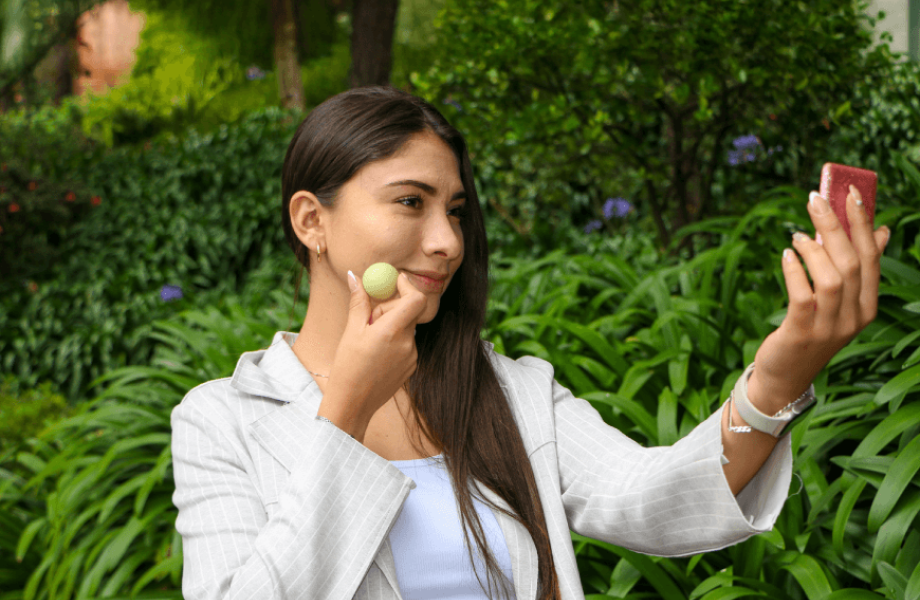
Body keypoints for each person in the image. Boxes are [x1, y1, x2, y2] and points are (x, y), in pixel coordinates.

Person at [170, 86, 891, 600]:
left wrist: (778, 374)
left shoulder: (509, 391)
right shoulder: (223, 419)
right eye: (409, 203)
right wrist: (347, 416)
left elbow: (653, 499)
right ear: (311, 221)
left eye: (455, 210)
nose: (447, 241)